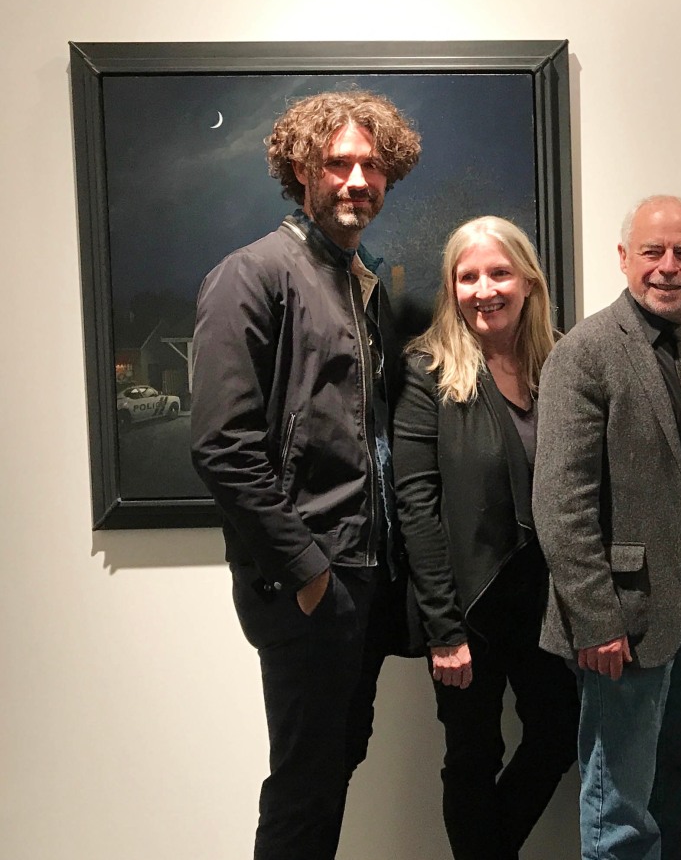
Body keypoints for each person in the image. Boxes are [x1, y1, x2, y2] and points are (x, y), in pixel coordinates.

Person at [190, 89, 421, 860]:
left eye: (372, 165)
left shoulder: (356, 281)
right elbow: (223, 446)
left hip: (361, 575)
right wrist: (309, 570)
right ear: (300, 169)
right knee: (303, 790)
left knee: (332, 769)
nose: (358, 180)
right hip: (311, 582)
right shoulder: (251, 275)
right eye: (338, 163)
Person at [533, 196, 681, 860]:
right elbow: (561, 503)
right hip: (619, 623)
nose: (668, 267)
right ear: (624, 258)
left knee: (671, 780)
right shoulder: (585, 352)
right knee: (618, 804)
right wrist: (596, 622)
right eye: (653, 252)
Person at [393, 216, 579, 860]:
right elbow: (416, 506)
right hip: (468, 606)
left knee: (559, 732)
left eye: (499, 273)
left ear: (528, 282)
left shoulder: (560, 364)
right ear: (451, 288)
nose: (484, 289)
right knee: (472, 755)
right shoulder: (427, 371)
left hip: (544, 604)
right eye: (467, 276)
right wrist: (443, 630)